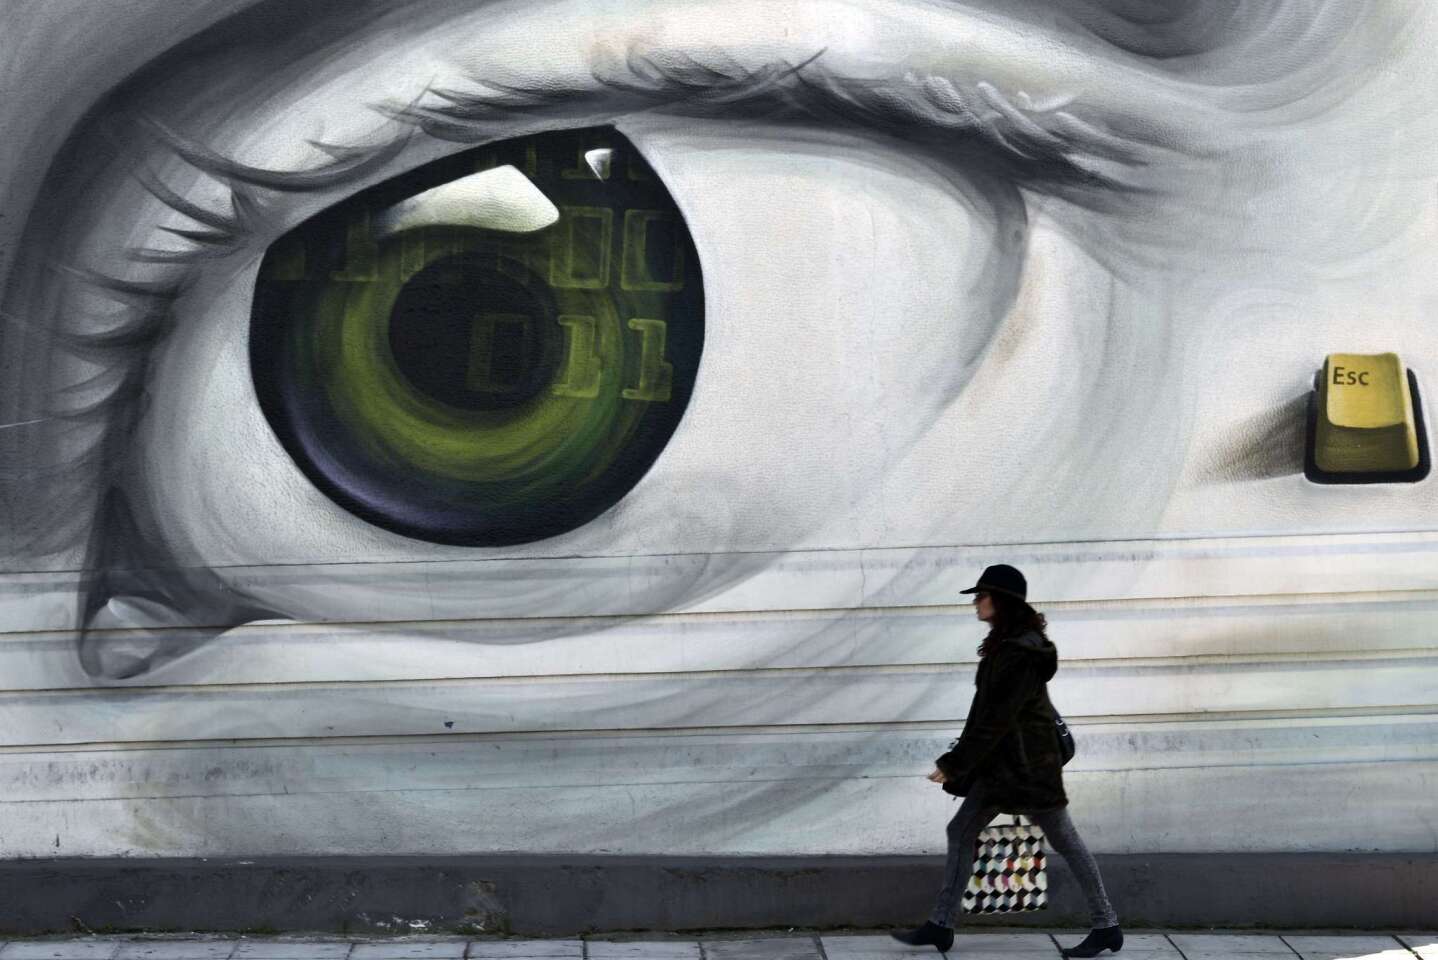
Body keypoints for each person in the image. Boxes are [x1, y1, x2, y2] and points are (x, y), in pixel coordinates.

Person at [891, 564, 1122, 958]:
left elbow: (996, 720)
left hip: (1029, 770)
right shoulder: (1008, 645)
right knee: (961, 830)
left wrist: (954, 763)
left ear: (1002, 601)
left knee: (1065, 840)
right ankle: (940, 925)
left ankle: (1107, 925)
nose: (975, 604)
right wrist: (961, 761)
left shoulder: (1020, 652)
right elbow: (987, 716)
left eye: (981, 596)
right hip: (1007, 769)